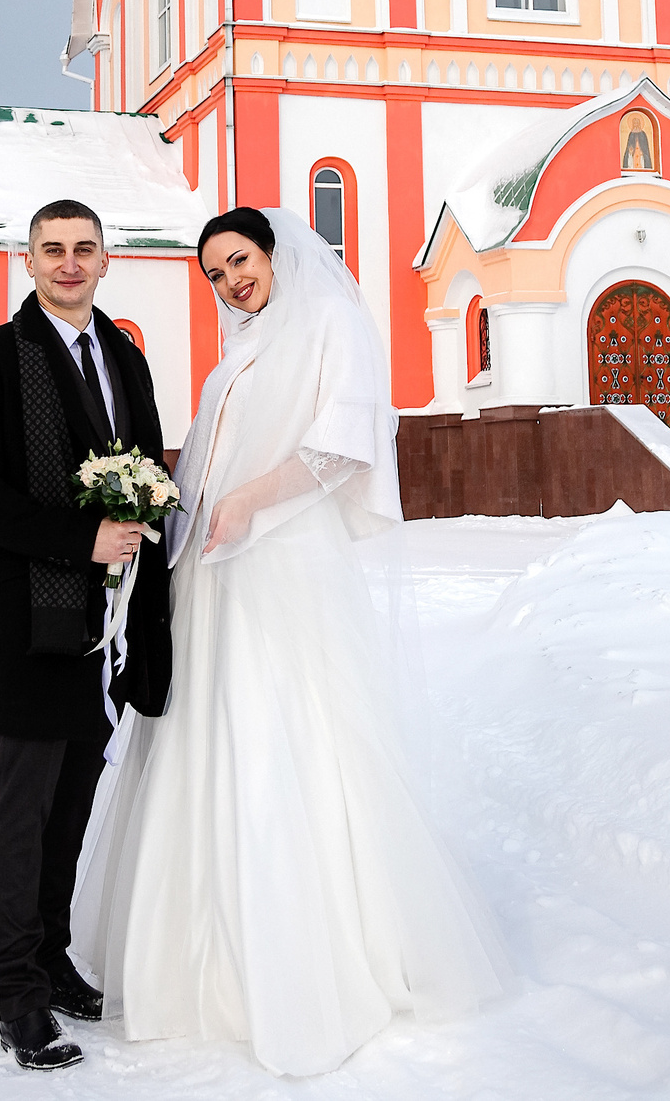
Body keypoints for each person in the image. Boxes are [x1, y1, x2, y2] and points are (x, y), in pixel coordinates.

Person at [73, 206, 510, 1076]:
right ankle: (199, 956)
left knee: (292, 734)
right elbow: (205, 459)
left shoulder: (331, 322)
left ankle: (320, 959)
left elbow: (343, 444)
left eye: (239, 260)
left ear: (273, 254)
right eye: (215, 273)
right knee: (208, 736)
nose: (231, 280)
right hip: (216, 568)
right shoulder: (239, 350)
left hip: (283, 563)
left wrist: (251, 502)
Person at [0, 198, 173, 1072]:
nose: (69, 263)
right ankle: (15, 993)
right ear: (28, 261)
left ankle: (49, 954)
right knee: (22, 806)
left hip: (106, 624)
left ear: (106, 260)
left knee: (72, 803)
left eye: (84, 249)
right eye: (53, 250)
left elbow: (144, 466)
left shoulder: (123, 355)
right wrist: (80, 538)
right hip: (28, 617)